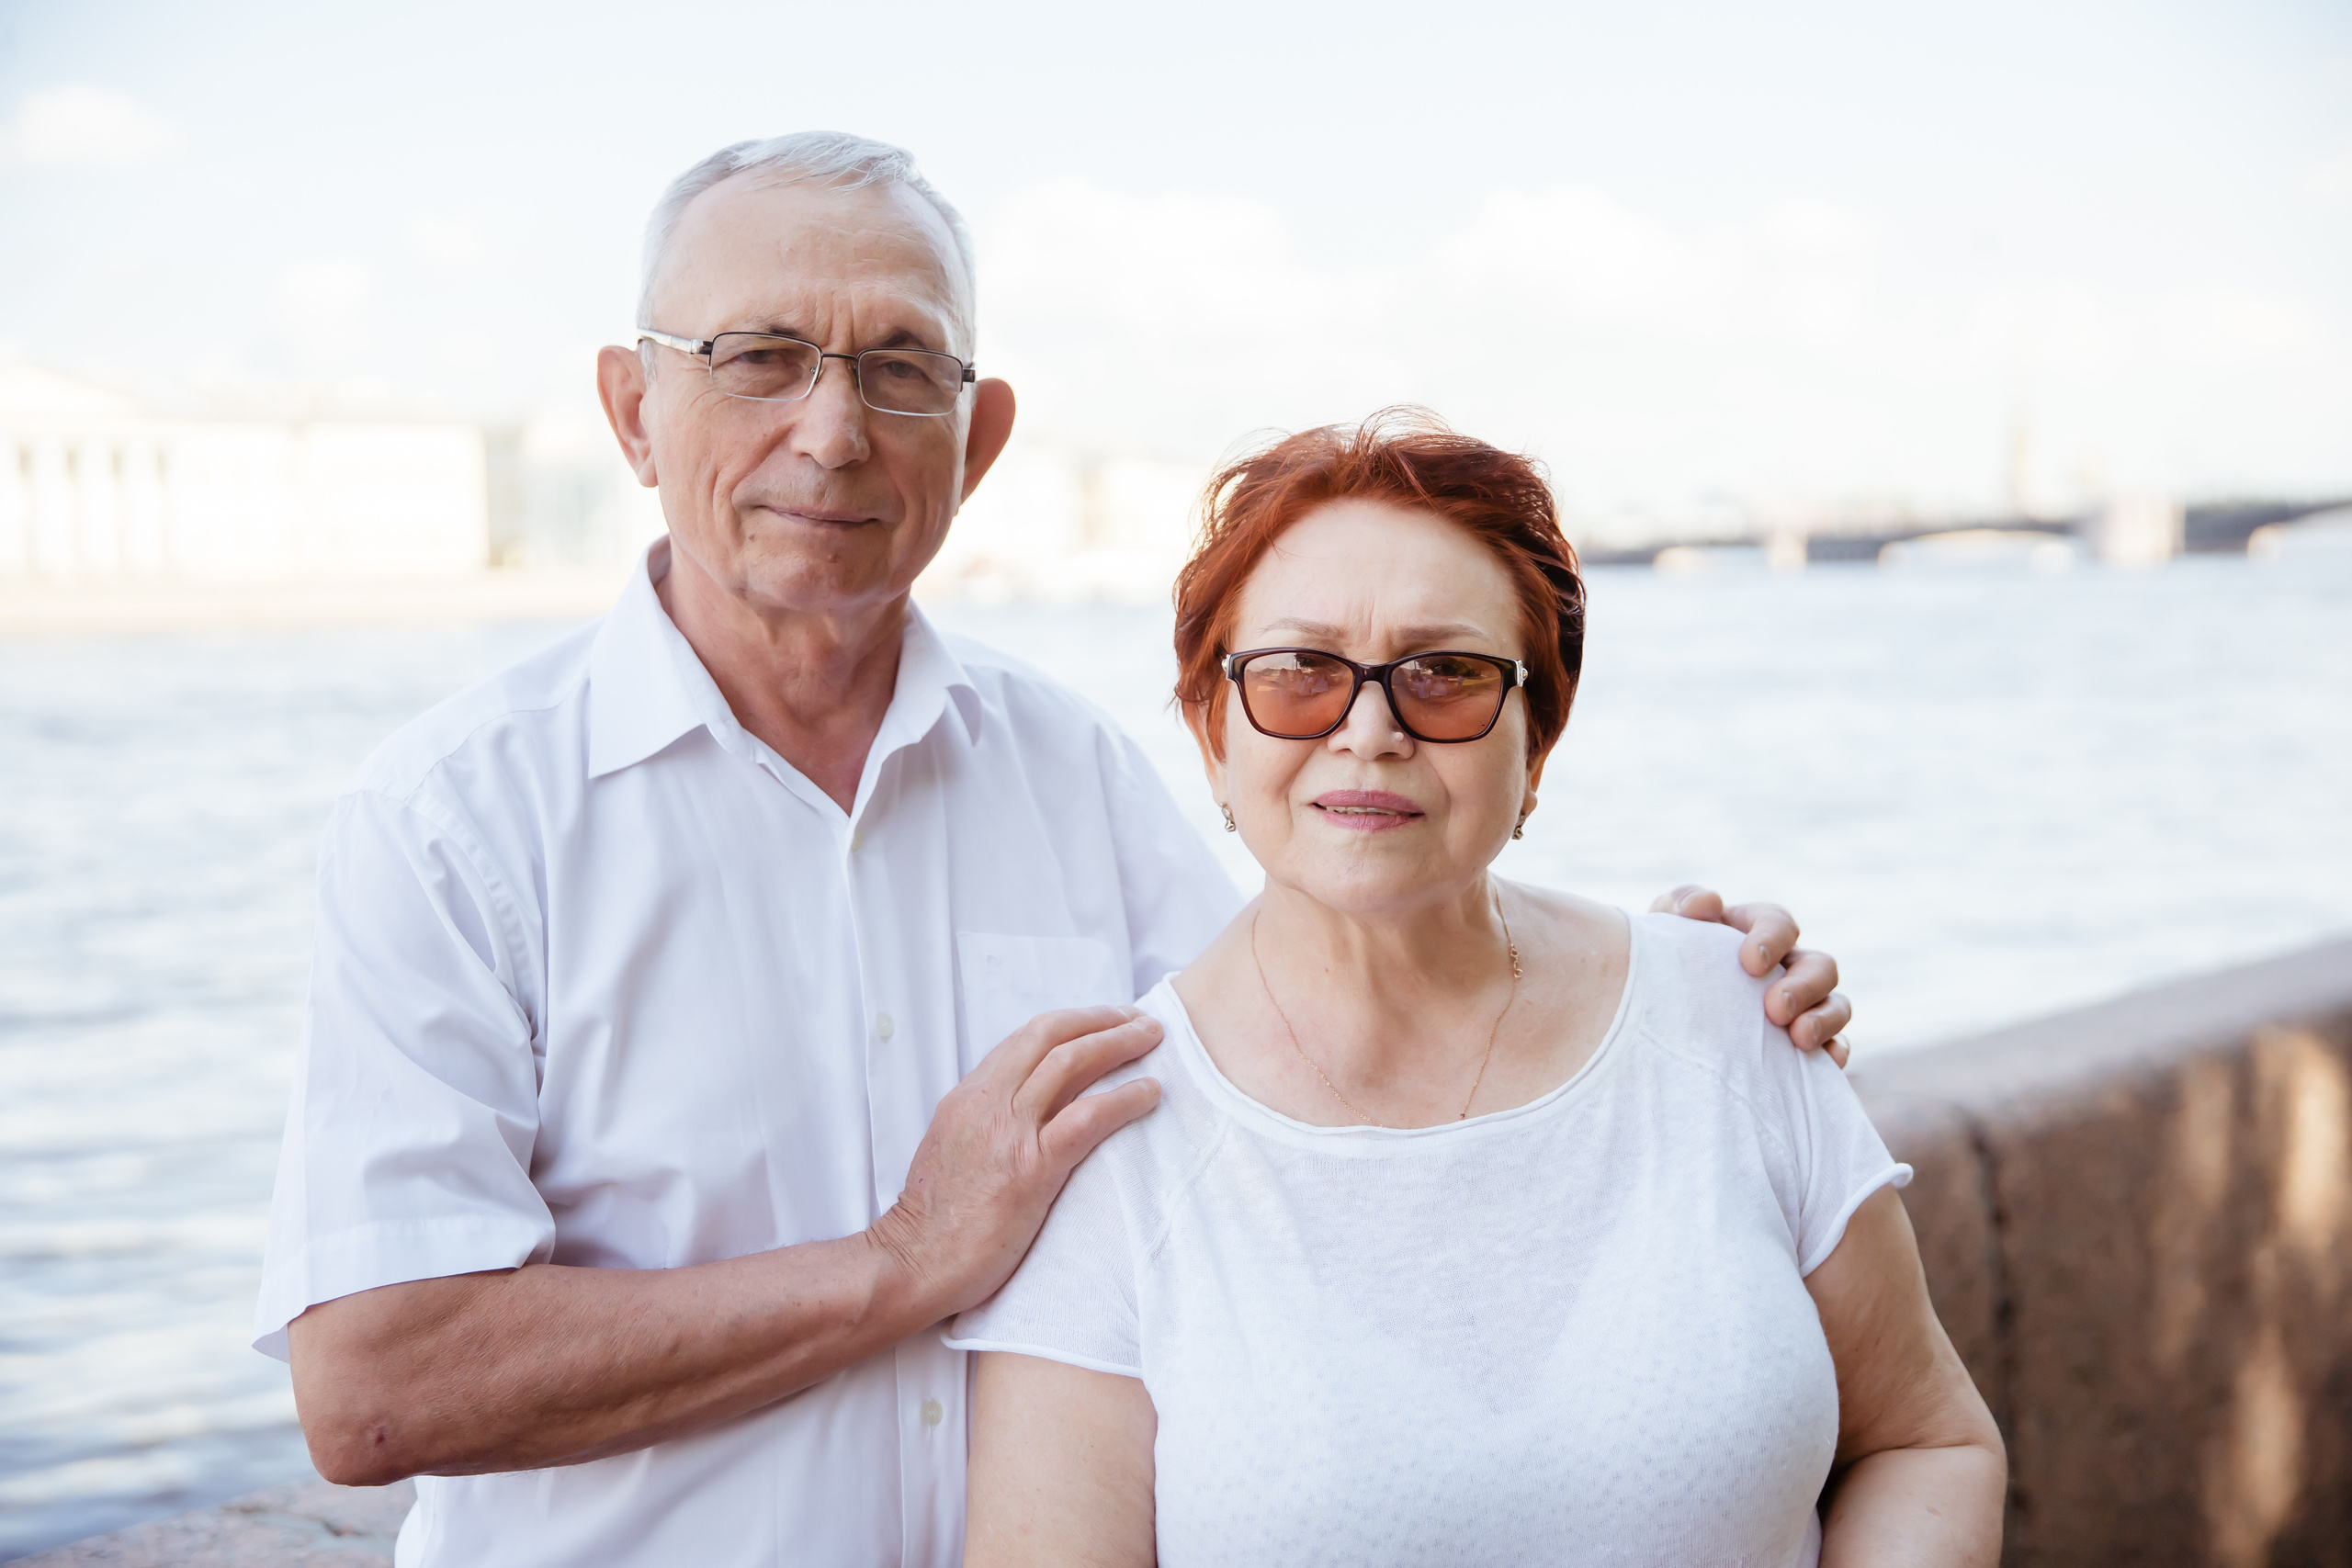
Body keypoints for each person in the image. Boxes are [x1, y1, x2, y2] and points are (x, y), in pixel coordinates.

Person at [254, 134, 1856, 1568]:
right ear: (630, 409)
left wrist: (1656, 986)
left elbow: (1316, 1038)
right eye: (758, 358)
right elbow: (378, 1388)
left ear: (981, 432)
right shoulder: (458, 822)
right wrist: (900, 1262)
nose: (831, 429)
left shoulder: (1074, 774)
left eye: (899, 367)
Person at [952, 414, 2004, 1567]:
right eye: (1298, 672)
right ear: (1212, 732)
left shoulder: (1731, 1017)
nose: (1368, 731)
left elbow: (1921, 1440)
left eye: (1442, 676)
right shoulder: (1113, 1139)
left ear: (1535, 746)